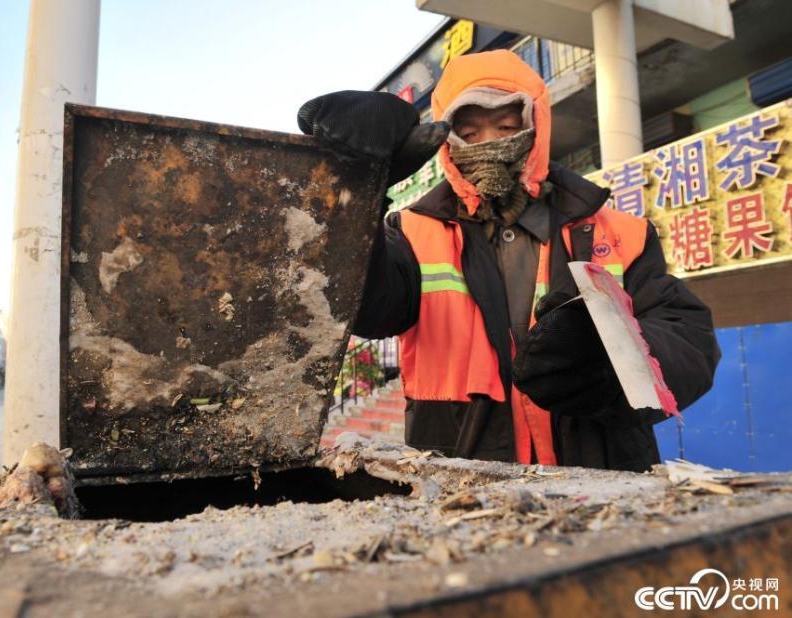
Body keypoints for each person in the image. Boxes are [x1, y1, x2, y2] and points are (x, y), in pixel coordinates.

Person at [298, 50, 720, 472]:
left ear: (537, 123)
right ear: (447, 140)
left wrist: (613, 367)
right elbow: (372, 311)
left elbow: (689, 341)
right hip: (460, 481)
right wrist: (358, 194)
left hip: (603, 475)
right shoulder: (411, 232)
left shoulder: (622, 232)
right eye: (470, 131)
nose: (491, 143)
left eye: (506, 126)